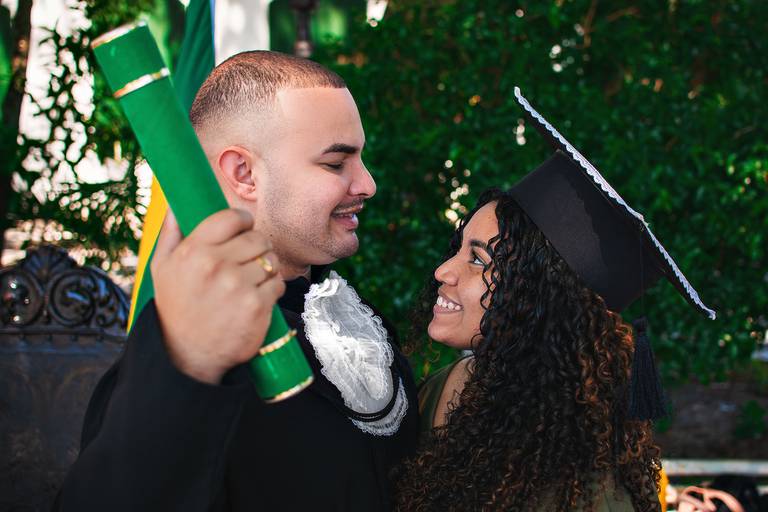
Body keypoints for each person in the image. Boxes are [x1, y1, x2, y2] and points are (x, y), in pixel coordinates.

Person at [55, 51, 419, 511]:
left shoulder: (356, 319)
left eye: (360, 159)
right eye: (335, 163)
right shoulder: (178, 353)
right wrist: (190, 364)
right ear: (244, 173)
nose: (367, 184)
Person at [395, 88, 715, 511]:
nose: (443, 271)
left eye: (477, 260)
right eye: (457, 248)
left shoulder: (582, 474)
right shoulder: (441, 388)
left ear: (538, 296)